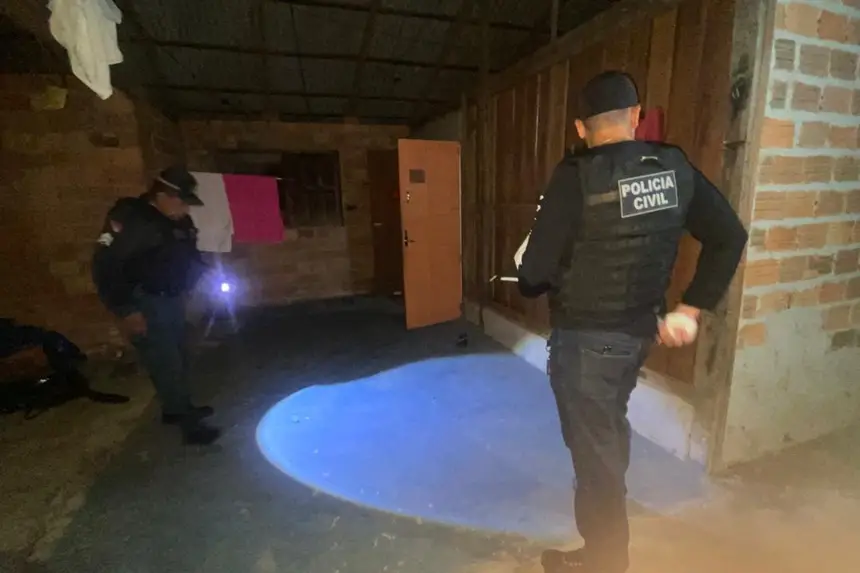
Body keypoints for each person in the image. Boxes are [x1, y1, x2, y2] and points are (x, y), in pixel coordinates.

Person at [516, 71, 748, 573]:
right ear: (636, 117)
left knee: (594, 459)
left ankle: (604, 562)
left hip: (585, 346)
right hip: (638, 337)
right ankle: (606, 548)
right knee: (606, 436)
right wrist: (690, 308)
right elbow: (730, 235)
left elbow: (531, 278)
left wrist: (539, 255)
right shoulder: (674, 167)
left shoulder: (574, 177)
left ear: (581, 128)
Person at [92, 166, 221, 445]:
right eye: (182, 202)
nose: (186, 209)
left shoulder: (177, 221)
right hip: (147, 301)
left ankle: (175, 409)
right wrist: (126, 310)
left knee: (179, 355)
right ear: (162, 196)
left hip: (173, 298)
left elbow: (187, 254)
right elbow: (106, 267)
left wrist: (205, 272)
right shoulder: (134, 220)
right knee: (166, 361)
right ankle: (188, 425)